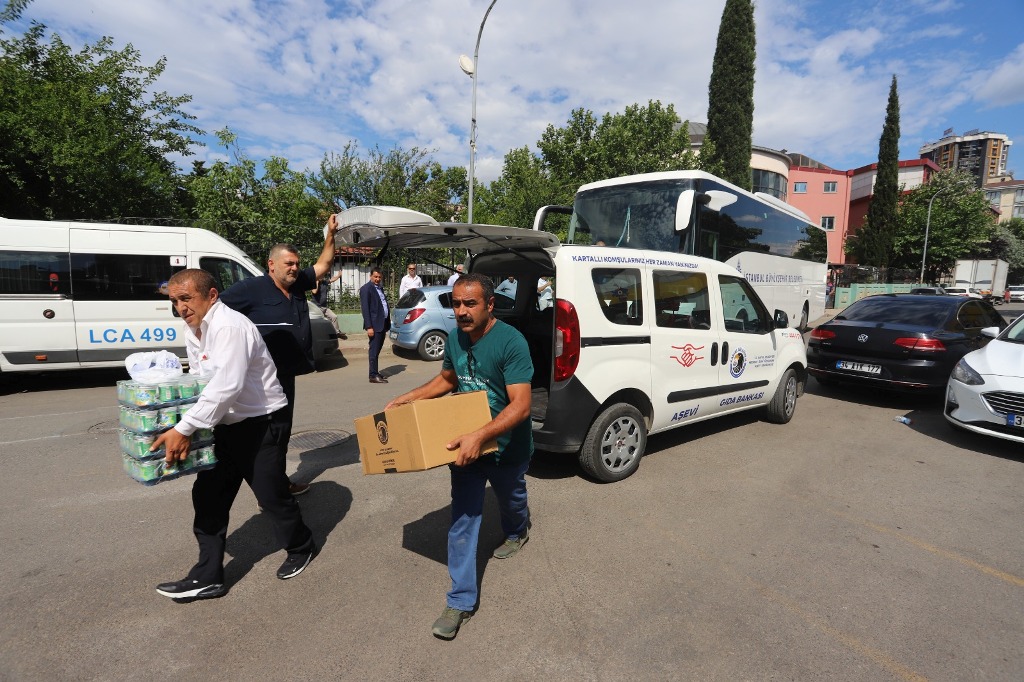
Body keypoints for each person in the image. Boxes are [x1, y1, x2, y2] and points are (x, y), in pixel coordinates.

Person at [384, 273, 534, 640]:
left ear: (489, 305)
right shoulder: (454, 338)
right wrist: (409, 398)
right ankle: (461, 601)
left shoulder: (511, 342)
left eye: (471, 304)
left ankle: (518, 530)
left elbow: (522, 405)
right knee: (463, 520)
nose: (462, 311)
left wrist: (480, 435)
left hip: (507, 447)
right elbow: (447, 380)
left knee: (511, 499)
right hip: (464, 446)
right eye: (456, 303)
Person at [152, 269, 316, 601]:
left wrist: (184, 429)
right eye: (174, 302)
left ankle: (302, 546)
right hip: (223, 424)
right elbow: (202, 383)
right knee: (209, 497)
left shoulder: (230, 327)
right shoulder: (194, 328)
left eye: (186, 299)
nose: (181, 308)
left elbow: (227, 386)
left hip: (261, 423)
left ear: (212, 295)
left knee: (271, 495)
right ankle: (208, 575)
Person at [218, 215, 339, 497]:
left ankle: (276, 483)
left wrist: (330, 234)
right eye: (289, 264)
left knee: (282, 432)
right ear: (271, 265)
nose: (295, 268)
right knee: (267, 435)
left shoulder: (297, 285)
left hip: (286, 376)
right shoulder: (251, 289)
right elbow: (215, 311)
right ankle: (272, 489)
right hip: (260, 379)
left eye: (297, 264)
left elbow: (323, 265)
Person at [360, 266, 391, 384]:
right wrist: (369, 327)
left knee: (377, 350)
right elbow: (365, 309)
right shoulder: (366, 289)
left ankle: (375, 371)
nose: (377, 279)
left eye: (379, 277)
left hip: (382, 324)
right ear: (371, 276)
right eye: (375, 277)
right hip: (374, 325)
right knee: (373, 350)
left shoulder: (379, 288)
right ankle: (372, 375)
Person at [313, 271, 346, 338]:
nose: (322, 277)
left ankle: (337, 332)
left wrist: (338, 276)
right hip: (317, 307)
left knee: (334, 317)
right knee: (320, 321)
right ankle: (320, 335)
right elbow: (314, 291)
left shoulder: (325, 282)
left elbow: (332, 280)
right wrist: (316, 282)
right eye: (320, 276)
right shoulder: (314, 284)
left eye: (322, 276)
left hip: (324, 307)